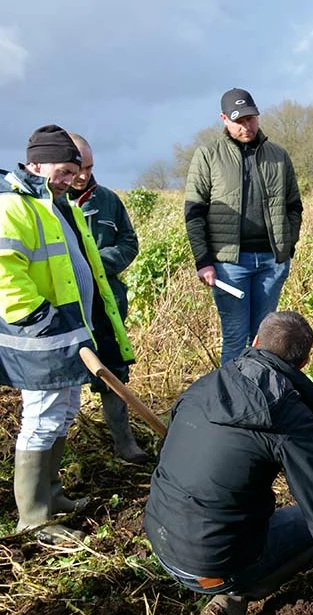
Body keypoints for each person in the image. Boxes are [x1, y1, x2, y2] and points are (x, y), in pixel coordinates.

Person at [145, 311, 313, 615]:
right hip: (212, 564)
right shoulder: (288, 417)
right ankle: (237, 590)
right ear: (305, 363)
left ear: (255, 341)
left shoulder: (205, 384)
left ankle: (226, 584)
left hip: (160, 540)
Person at [0, 125, 134, 543]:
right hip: (41, 337)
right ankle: (34, 517)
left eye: (73, 172)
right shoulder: (14, 206)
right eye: (61, 170)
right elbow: (5, 273)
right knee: (40, 419)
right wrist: (40, 318)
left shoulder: (59, 205)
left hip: (72, 334)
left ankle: (52, 494)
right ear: (35, 163)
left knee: (64, 412)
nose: (67, 179)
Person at [184, 88, 303, 365]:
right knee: (236, 338)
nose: (246, 125)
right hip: (229, 265)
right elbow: (194, 212)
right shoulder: (208, 155)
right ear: (224, 119)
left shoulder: (278, 155)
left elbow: (294, 206)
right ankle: (234, 404)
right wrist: (203, 260)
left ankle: (261, 400)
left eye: (251, 118)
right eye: (239, 120)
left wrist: (287, 247)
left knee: (265, 340)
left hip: (271, 263)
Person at [66, 133, 147, 463]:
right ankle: (64, 450)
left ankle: (123, 443)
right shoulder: (48, 206)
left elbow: (129, 244)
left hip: (106, 303)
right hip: (67, 308)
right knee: (65, 377)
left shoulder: (109, 200)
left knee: (113, 370)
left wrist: (94, 264)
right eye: (77, 167)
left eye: (89, 167)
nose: (83, 175)